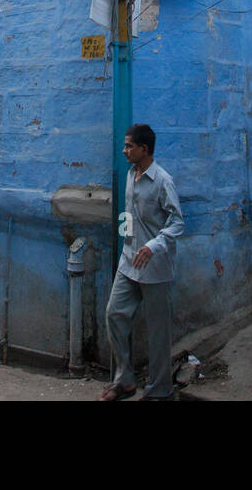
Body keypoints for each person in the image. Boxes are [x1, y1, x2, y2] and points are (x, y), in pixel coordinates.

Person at [99, 124, 184, 401]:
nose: (124, 151)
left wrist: (153, 245)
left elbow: (177, 223)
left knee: (159, 331)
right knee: (114, 314)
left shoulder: (162, 181)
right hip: (128, 261)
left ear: (143, 149)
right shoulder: (129, 175)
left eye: (128, 146)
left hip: (154, 266)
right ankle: (124, 379)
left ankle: (160, 390)